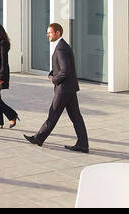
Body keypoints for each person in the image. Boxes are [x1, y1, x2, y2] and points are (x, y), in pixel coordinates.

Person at [25, 22, 89, 152]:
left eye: (50, 32)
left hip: (64, 89)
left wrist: (54, 79)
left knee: (53, 114)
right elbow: (62, 68)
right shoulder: (62, 46)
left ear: (57, 33)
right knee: (76, 117)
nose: (47, 34)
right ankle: (83, 144)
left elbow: (65, 70)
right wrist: (52, 73)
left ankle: (39, 138)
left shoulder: (61, 48)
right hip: (69, 88)